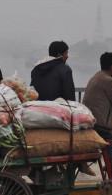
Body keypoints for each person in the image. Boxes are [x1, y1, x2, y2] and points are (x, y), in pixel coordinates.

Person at [30, 41, 95, 176]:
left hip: (36, 111)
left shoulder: (36, 69)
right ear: (60, 55)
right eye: (66, 53)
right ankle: (81, 164)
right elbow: (69, 97)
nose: (68, 56)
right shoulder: (64, 69)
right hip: (56, 113)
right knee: (78, 131)